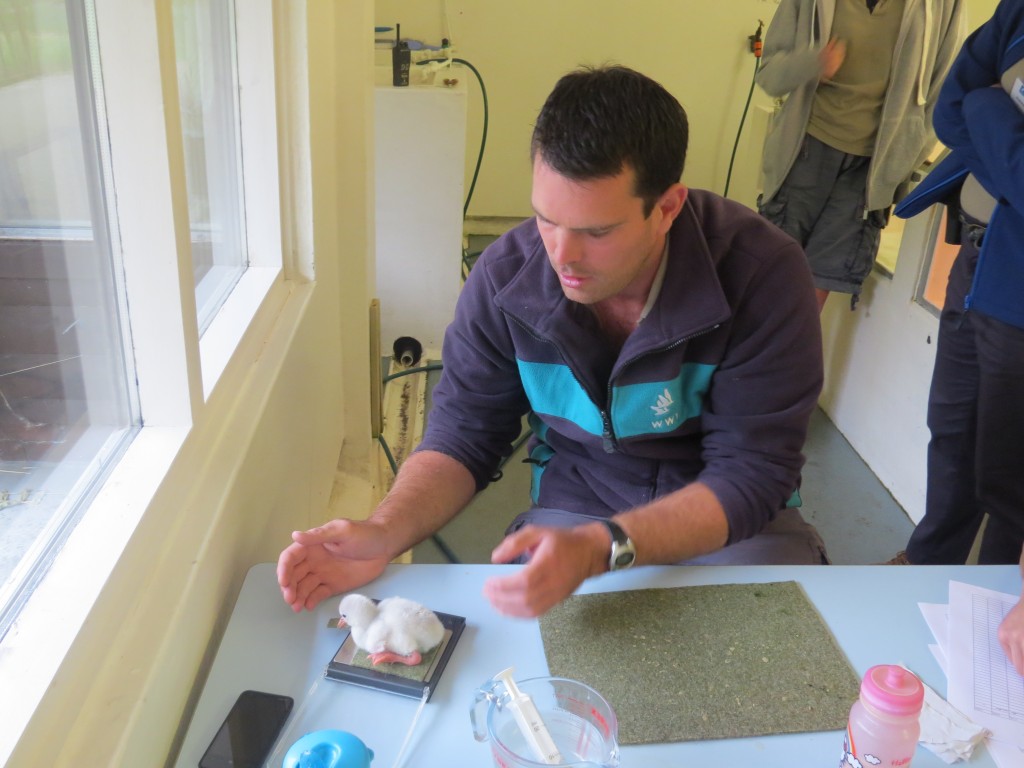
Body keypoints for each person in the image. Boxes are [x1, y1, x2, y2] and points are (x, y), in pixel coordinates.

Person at [278, 66, 827, 621]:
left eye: (596, 232)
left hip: (728, 518)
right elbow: (464, 434)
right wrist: (385, 529)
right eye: (545, 219)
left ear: (666, 208)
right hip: (577, 509)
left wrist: (604, 547)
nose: (561, 256)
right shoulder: (505, 279)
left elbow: (751, 475)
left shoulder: (762, 274)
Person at [886, 0, 1024, 580]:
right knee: (951, 429)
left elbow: (976, 102)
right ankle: (926, 562)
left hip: (1016, 291)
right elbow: (949, 106)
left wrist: (989, 103)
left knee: (1009, 472)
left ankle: (998, 601)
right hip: (974, 255)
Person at [756, 0, 964, 312]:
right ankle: (748, 357)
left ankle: (787, 359)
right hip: (804, 153)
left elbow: (942, 88)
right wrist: (813, 63)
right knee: (770, 275)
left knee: (817, 287)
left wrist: (905, 159)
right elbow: (770, 73)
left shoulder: (943, 5)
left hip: (868, 173)